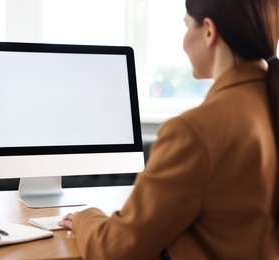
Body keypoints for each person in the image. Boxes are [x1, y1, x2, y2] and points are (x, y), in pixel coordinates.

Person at [58, 0, 279, 259]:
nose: (184, 40)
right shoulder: (267, 104)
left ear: (208, 31)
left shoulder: (193, 132)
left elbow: (114, 248)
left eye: (186, 26)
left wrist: (87, 217)